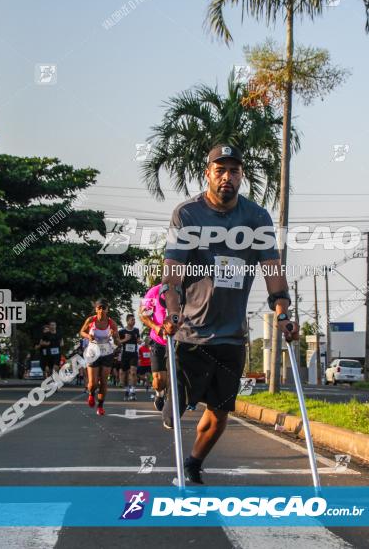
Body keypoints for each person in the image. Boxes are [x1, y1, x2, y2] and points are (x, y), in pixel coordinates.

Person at [160, 143, 298, 484]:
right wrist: (173, 310)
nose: (227, 177)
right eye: (219, 170)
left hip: (231, 335)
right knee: (172, 415)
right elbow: (172, 271)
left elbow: (272, 270)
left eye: (233, 171)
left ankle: (193, 462)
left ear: (241, 176)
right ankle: (167, 399)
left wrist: (282, 311)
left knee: (220, 414)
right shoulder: (188, 214)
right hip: (190, 332)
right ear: (207, 174)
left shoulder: (257, 218)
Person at [79, 298, 119, 416]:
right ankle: (91, 394)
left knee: (104, 382)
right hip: (93, 353)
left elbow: (117, 343)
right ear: (96, 309)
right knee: (93, 383)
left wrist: (115, 336)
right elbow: (81, 332)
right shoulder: (91, 320)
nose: (101, 310)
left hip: (107, 353)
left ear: (107, 309)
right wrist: (88, 336)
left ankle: (100, 405)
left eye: (104, 308)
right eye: (99, 308)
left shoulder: (112, 323)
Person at [139, 282, 168, 410]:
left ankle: (173, 399)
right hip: (158, 341)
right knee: (159, 380)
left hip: (180, 341)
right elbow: (143, 315)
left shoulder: (188, 289)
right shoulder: (155, 291)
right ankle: (159, 394)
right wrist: (156, 327)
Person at [118, 314, 140, 401]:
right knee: (126, 374)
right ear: (127, 321)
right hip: (125, 354)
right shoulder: (122, 331)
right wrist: (125, 340)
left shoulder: (136, 330)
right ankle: (127, 391)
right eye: (132, 320)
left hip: (134, 354)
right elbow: (118, 343)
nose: (134, 321)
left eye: (134, 320)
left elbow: (138, 340)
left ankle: (133, 391)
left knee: (133, 372)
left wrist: (138, 340)